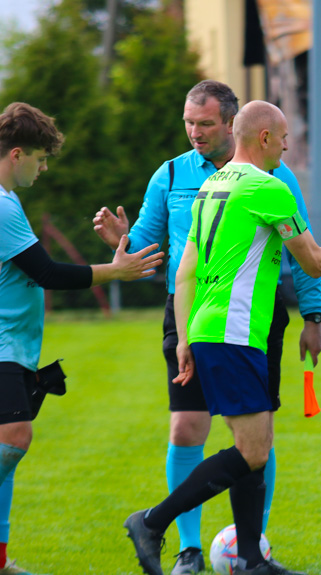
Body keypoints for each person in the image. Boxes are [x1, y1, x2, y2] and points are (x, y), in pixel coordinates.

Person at [123, 100, 321, 575]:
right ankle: (152, 521)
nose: (286, 146)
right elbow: (314, 261)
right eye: (282, 138)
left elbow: (187, 269)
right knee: (253, 450)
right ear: (262, 138)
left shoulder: (211, 185)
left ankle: (253, 559)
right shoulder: (267, 188)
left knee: (255, 444)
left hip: (212, 328)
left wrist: (184, 338)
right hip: (236, 332)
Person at [0, 102, 163, 575]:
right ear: (16, 154)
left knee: (6, 451)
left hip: (16, 346)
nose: (44, 167)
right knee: (13, 438)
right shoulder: (3, 205)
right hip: (3, 345)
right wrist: (115, 270)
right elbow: (46, 272)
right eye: (40, 157)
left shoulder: (9, 202)